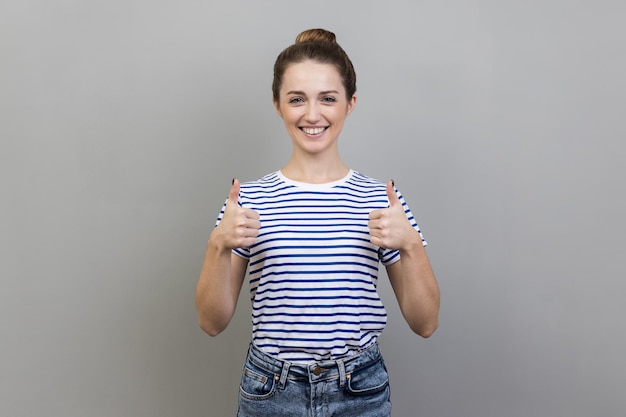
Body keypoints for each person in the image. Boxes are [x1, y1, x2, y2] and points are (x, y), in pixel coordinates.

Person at [195, 28, 440, 417]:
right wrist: (217, 245)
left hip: (360, 390)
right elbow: (212, 322)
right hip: (271, 392)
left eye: (328, 98)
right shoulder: (249, 201)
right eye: (297, 99)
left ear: (350, 103)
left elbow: (425, 323)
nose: (312, 114)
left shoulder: (381, 200)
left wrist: (410, 245)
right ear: (277, 104)